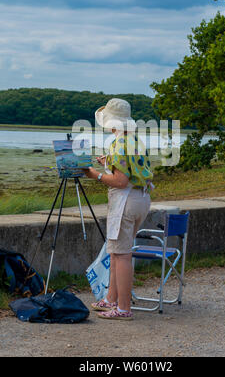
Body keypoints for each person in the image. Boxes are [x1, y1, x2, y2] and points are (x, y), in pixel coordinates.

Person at [83, 98, 153, 320]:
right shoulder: (135, 140)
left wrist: (95, 174)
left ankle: (123, 308)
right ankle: (110, 299)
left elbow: (121, 181)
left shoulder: (117, 143)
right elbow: (133, 171)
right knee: (116, 251)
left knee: (121, 255)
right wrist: (109, 163)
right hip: (141, 199)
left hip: (126, 201)